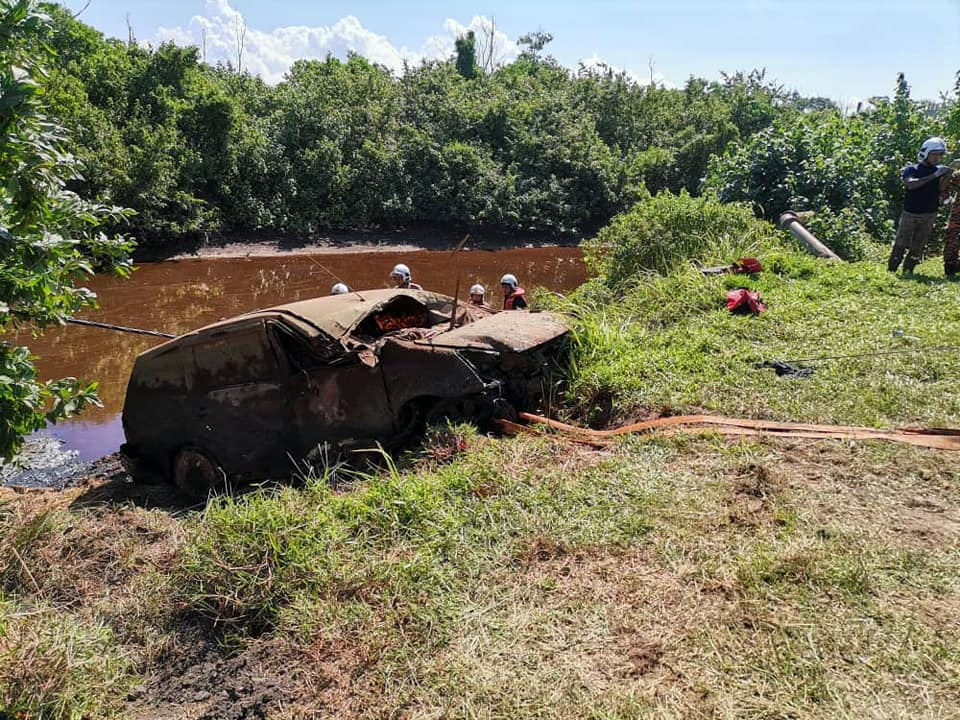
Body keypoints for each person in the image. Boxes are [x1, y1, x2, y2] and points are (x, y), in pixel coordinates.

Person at [887, 137, 954, 273]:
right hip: (910, 213)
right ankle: (892, 270)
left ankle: (908, 271)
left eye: (940, 154)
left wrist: (946, 175)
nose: (937, 157)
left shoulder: (938, 170)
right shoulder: (912, 169)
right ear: (926, 153)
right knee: (901, 242)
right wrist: (935, 175)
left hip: (930, 214)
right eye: (934, 154)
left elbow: (941, 189)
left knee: (918, 245)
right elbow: (911, 184)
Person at [941, 160, 960, 276]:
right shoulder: (958, 175)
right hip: (958, 215)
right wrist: (946, 199)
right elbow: (943, 185)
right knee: (952, 239)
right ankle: (950, 266)